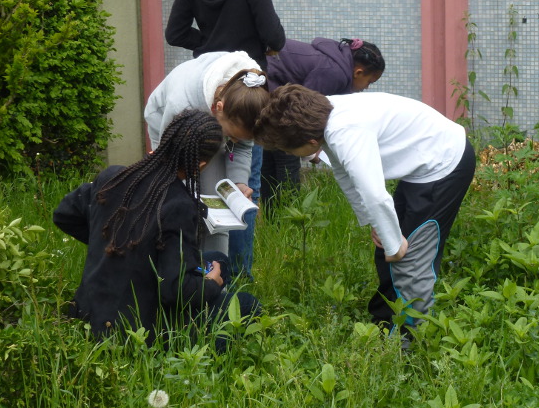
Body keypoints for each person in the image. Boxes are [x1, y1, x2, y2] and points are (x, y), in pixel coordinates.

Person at [254, 85, 475, 334]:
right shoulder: (320, 114)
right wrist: (376, 225)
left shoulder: (346, 131)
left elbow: (375, 195)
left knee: (411, 258)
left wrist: (395, 244)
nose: (288, 154)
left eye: (288, 150)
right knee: (386, 247)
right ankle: (385, 322)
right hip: (422, 163)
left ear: (311, 142)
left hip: (445, 162)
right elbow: (344, 174)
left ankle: (413, 339)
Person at [53, 110, 261, 349]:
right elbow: (175, 290)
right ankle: (199, 339)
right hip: (136, 330)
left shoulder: (114, 176)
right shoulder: (179, 204)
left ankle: (211, 298)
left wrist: (113, 244)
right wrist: (211, 284)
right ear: (200, 165)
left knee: (217, 259)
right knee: (247, 303)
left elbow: (64, 215)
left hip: (89, 313)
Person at [165, 0, 285, 280]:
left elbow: (175, 32)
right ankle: (238, 275)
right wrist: (261, 44)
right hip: (244, 90)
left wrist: (208, 44)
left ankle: (203, 272)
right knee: (242, 185)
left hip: (205, 90)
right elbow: (274, 36)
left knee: (203, 185)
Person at [229, 37, 385, 278]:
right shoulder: (335, 72)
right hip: (269, 103)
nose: (366, 88)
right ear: (359, 71)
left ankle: (275, 227)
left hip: (266, 99)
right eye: (369, 82)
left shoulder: (335, 62)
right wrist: (312, 151)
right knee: (286, 172)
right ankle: (288, 229)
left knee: (272, 171)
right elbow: (301, 111)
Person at [144, 51, 269, 255]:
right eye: (232, 136)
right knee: (179, 197)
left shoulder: (247, 101)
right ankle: (179, 262)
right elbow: (172, 156)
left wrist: (238, 182)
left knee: (216, 203)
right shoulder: (180, 105)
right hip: (168, 124)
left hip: (212, 121)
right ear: (219, 107)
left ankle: (215, 267)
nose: (234, 142)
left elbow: (242, 146)